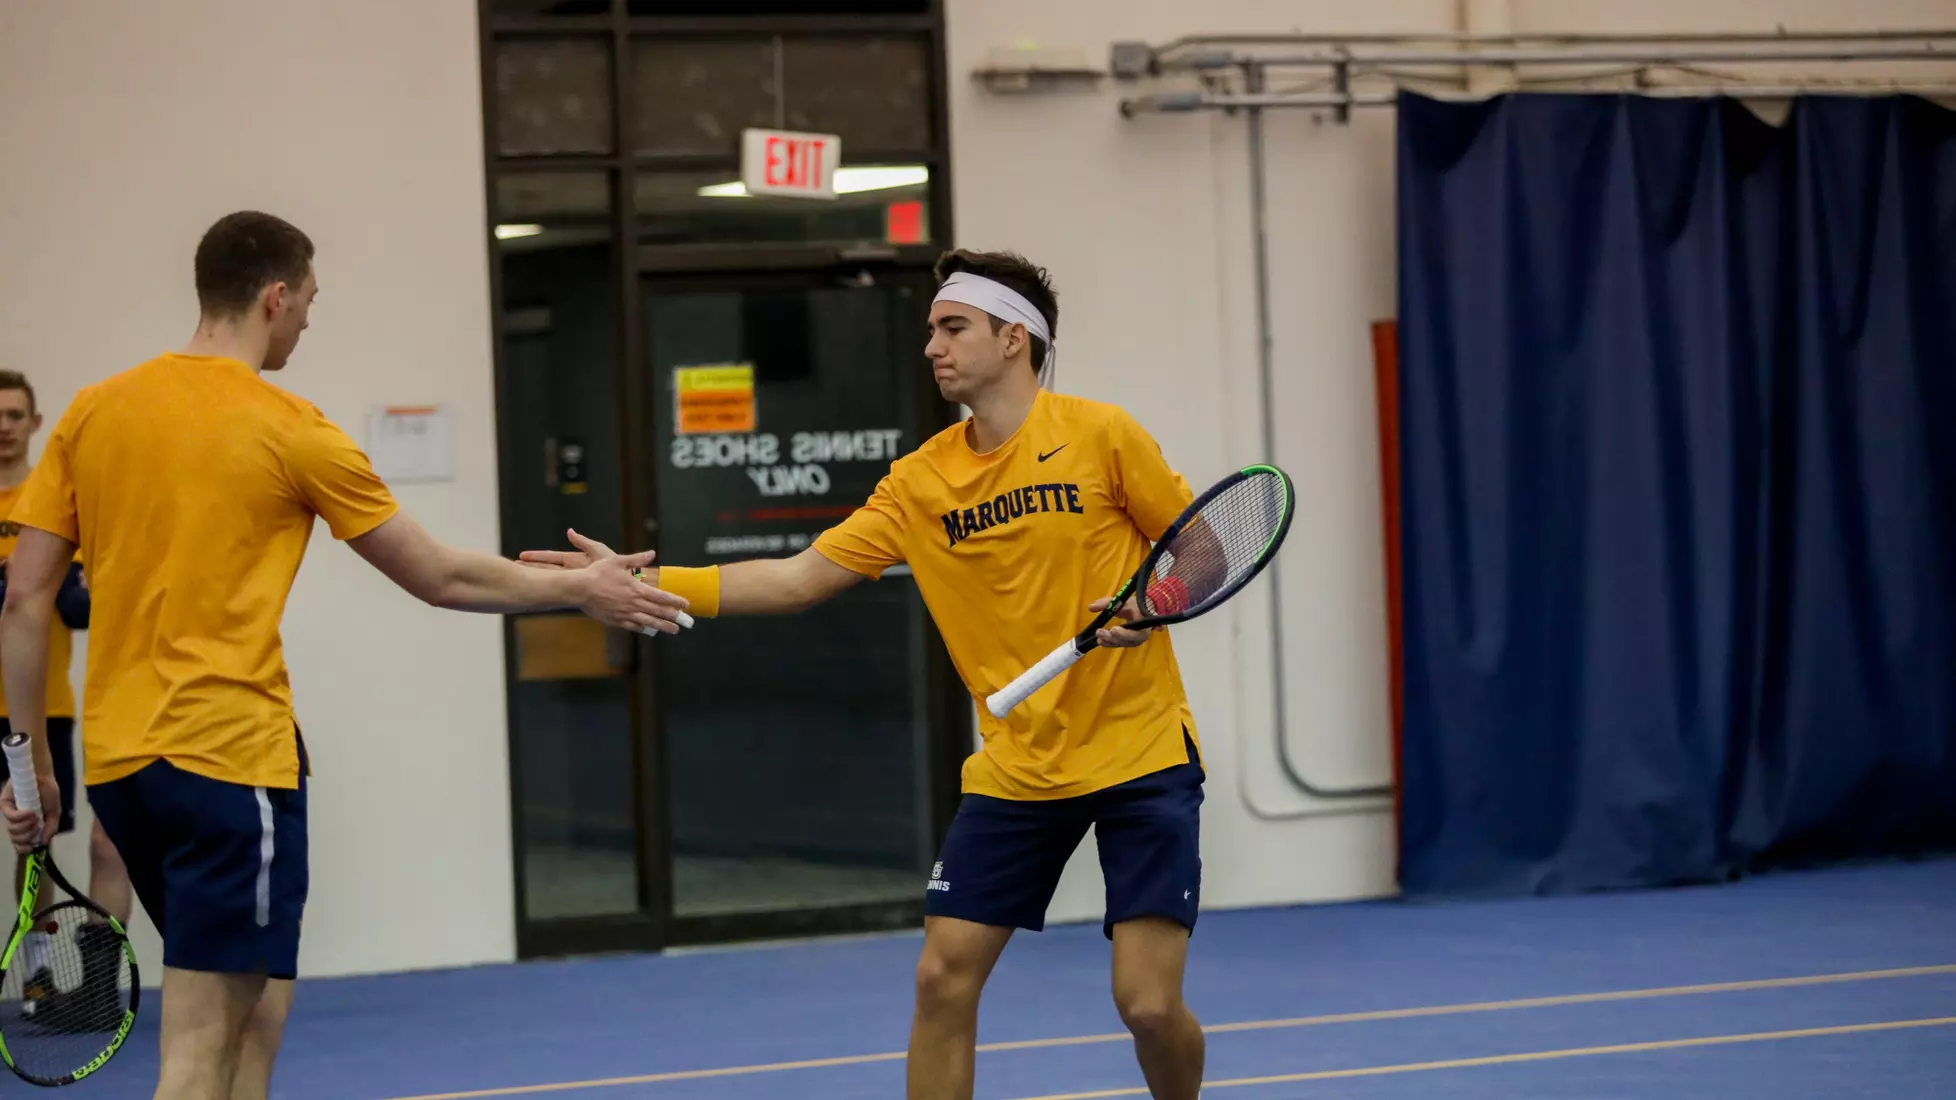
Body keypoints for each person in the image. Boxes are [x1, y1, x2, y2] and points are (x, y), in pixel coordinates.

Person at [0, 210, 689, 1100]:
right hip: (227, 761)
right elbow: (439, 575)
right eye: (311, 303)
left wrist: (32, 767)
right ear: (275, 297)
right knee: (203, 1039)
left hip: (125, 767)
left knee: (258, 1003)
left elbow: (23, 598)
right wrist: (582, 588)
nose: (309, 323)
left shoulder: (94, 411)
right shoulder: (291, 427)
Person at [524, 248, 1209, 1100]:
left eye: (952, 327)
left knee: (1146, 1005)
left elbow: (1203, 547)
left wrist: (1154, 601)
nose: (932, 345)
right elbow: (796, 578)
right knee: (940, 980)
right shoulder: (919, 482)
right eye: (931, 330)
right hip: (1018, 767)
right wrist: (636, 583)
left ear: (1014, 338)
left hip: (1140, 754)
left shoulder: (1103, 434)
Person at [0, 368, 136, 1018]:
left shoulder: (52, 500)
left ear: (33, 421)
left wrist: (43, 586)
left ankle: (37, 982)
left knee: (36, 846)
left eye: (15, 414)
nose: (4, 425)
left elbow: (83, 607)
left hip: (42, 710)